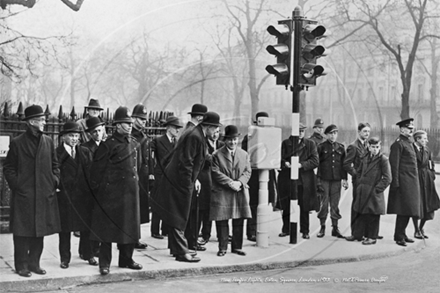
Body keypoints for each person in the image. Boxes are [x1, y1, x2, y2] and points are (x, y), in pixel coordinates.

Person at [151, 112, 221, 263]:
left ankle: (178, 249)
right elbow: (186, 162)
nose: (216, 131)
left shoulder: (196, 134)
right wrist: (188, 183)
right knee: (178, 214)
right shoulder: (195, 136)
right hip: (179, 181)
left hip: (178, 179)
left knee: (176, 214)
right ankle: (181, 252)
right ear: (207, 126)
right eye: (214, 128)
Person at [3, 105, 61, 277]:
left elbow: (55, 166)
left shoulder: (48, 142)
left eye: (44, 119)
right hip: (24, 196)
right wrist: (18, 185)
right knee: (22, 233)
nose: (44, 122)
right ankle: (21, 266)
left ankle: (34, 263)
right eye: (41, 120)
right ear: (31, 122)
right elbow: (8, 168)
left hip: (44, 194)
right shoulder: (17, 142)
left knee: (39, 232)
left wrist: (53, 181)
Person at [89, 106, 142, 275]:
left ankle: (127, 259)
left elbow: (137, 167)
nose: (130, 126)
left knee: (130, 228)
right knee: (107, 232)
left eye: (130, 123)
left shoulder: (134, 143)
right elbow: (96, 171)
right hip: (111, 196)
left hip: (130, 193)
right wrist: (104, 191)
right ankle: (104, 263)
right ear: (118, 125)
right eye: (126, 123)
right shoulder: (108, 145)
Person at [56, 121, 97, 268]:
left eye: (76, 136)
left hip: (83, 196)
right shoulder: (57, 153)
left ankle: (88, 254)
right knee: (65, 229)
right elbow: (53, 173)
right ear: (63, 137)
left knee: (86, 226)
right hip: (65, 196)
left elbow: (91, 172)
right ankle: (65, 258)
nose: (74, 139)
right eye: (71, 135)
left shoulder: (84, 151)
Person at [210, 125, 252, 257]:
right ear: (225, 140)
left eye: (235, 139)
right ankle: (222, 247)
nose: (233, 142)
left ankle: (237, 247)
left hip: (239, 190)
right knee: (222, 220)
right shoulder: (217, 154)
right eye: (230, 140)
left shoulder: (244, 154)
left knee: (239, 220)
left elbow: (247, 171)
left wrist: (239, 182)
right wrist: (230, 183)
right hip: (223, 191)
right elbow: (215, 172)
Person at [278, 123, 319, 239]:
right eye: (298, 131)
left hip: (304, 180)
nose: (301, 133)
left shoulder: (310, 144)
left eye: (302, 131)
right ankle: (286, 229)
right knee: (286, 205)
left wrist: (301, 165)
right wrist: (285, 163)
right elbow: (279, 158)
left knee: (305, 205)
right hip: (288, 178)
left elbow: (315, 161)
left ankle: (305, 230)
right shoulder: (286, 143)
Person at [347, 137, 391, 245]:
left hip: (373, 192)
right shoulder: (365, 157)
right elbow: (359, 172)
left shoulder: (383, 159)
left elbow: (387, 178)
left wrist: (377, 189)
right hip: (362, 190)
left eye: (377, 147)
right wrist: (359, 184)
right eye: (373, 147)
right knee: (360, 213)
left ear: (380, 147)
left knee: (373, 215)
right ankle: (357, 235)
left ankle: (372, 237)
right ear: (369, 147)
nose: (375, 149)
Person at [241, 112, 277, 242]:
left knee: (264, 203)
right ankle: (251, 232)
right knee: (253, 204)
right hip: (254, 174)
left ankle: (262, 230)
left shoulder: (272, 136)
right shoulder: (249, 137)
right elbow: (245, 155)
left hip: (267, 173)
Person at [387, 118, 421, 247]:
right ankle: (398, 236)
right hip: (403, 182)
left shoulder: (409, 142)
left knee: (409, 209)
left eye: (412, 128)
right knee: (402, 209)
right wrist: (395, 183)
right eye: (408, 128)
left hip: (411, 182)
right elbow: (394, 166)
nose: (411, 130)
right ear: (402, 129)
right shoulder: (398, 144)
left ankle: (403, 233)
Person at [181, 104, 208, 251]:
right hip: (190, 179)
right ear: (199, 117)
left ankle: (191, 241)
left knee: (192, 211)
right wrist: (194, 179)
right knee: (190, 212)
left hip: (191, 178)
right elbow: (188, 159)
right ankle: (189, 242)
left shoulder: (190, 130)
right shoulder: (192, 132)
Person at [150, 116, 183, 239]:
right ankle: (155, 230)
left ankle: (165, 229)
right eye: (175, 128)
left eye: (178, 128)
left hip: (172, 178)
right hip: (160, 176)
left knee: (169, 204)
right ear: (168, 128)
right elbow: (149, 155)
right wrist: (152, 172)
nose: (178, 130)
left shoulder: (177, 142)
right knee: (158, 203)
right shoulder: (158, 141)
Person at [80, 116, 106, 258]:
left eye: (100, 130)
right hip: (88, 191)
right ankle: (85, 251)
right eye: (94, 131)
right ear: (90, 133)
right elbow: (84, 170)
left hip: (102, 190)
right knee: (87, 222)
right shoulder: (85, 148)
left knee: (99, 221)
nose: (97, 134)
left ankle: (96, 249)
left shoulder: (106, 146)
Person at [316, 124, 348, 238]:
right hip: (324, 179)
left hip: (336, 180)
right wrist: (318, 180)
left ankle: (335, 227)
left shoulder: (341, 147)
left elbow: (344, 165)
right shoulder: (321, 147)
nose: (333, 136)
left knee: (335, 204)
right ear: (326, 135)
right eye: (331, 133)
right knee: (324, 204)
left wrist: (345, 179)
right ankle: (322, 226)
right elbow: (318, 165)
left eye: (335, 133)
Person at [343, 122, 371, 240]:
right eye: (364, 131)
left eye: (368, 132)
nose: (367, 134)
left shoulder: (369, 145)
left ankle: (364, 232)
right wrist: (356, 175)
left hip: (368, 182)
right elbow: (346, 164)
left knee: (366, 205)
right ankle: (355, 233)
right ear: (359, 132)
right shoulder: (353, 146)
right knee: (357, 206)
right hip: (359, 181)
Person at [131, 104, 153, 249]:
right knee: (132, 209)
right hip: (133, 176)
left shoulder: (143, 136)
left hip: (143, 177)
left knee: (139, 208)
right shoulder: (131, 135)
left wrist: (150, 174)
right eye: (140, 119)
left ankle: (135, 238)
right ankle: (131, 239)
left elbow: (148, 158)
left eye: (144, 119)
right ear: (133, 118)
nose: (143, 121)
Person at [411, 130, 440, 239]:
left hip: (427, 180)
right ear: (418, 139)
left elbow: (431, 163)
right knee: (417, 205)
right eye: (424, 138)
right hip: (416, 179)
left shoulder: (427, 150)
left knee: (428, 205)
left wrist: (432, 175)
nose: (426, 140)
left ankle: (421, 227)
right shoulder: (411, 150)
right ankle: (416, 230)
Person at [197, 129, 224, 245]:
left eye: (218, 132)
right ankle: (205, 234)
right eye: (214, 131)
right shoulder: (203, 144)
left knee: (219, 208)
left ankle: (222, 235)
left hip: (218, 180)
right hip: (206, 179)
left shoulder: (221, 145)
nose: (215, 134)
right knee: (205, 209)